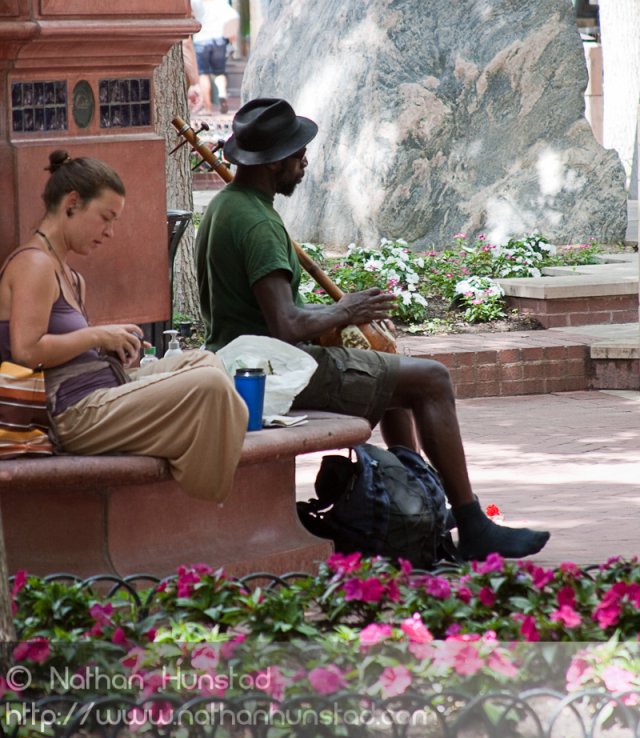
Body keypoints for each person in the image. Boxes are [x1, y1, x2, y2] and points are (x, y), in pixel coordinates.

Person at [196, 98, 551, 562]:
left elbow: (269, 314)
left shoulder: (227, 205)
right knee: (432, 379)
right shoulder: (258, 223)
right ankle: (471, 523)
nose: (305, 164)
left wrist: (341, 316)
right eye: (300, 156)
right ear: (276, 163)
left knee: (391, 372)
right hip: (270, 374)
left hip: (244, 361)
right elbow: (287, 325)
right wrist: (346, 310)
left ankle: (423, 501)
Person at [0, 150, 248, 503]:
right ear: (72, 203)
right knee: (208, 386)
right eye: (105, 218)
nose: (111, 232)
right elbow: (26, 352)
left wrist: (106, 348)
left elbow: (66, 347)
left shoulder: (71, 275)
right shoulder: (33, 265)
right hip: (71, 415)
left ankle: (199, 475)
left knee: (207, 362)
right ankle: (205, 503)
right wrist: (97, 334)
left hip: (103, 391)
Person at [191, 0, 239, 115]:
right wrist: (230, 34)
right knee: (219, 72)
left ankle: (208, 108)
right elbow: (233, 16)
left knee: (203, 74)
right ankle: (222, 93)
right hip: (218, 40)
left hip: (201, 41)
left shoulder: (194, 1)